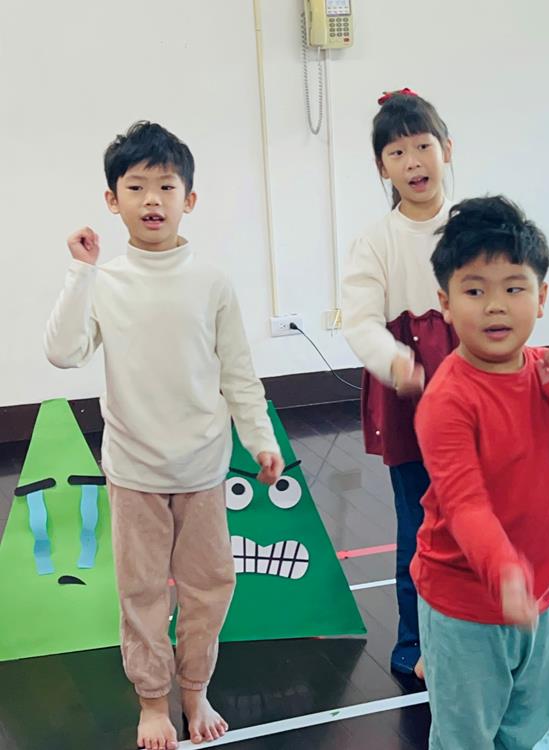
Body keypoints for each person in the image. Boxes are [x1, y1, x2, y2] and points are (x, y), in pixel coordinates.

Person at [44, 121, 283, 750]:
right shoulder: (105, 281)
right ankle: (153, 700)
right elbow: (63, 352)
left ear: (189, 199)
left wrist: (259, 439)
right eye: (136, 187)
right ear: (112, 200)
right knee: (142, 592)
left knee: (210, 588)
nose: (152, 199)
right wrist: (80, 272)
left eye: (167, 186)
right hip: (134, 472)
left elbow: (238, 373)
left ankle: (195, 688)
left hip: (202, 469)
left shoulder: (212, 282)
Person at [412, 196, 549, 749]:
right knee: (466, 735)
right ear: (445, 303)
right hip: (464, 603)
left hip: (543, 597)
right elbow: (464, 502)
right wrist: (504, 571)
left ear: (542, 297)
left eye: (514, 288)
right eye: (474, 291)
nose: (495, 306)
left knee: (531, 730)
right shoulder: (447, 399)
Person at [339, 88, 459, 679]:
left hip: (472, 387)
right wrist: (395, 362)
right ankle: (415, 641)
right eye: (397, 152)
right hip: (410, 398)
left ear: (446, 150)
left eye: (422, 146)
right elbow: (359, 320)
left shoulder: (472, 225)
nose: (413, 162)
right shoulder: (377, 239)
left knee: (476, 515)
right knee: (417, 520)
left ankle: (473, 633)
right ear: (381, 167)